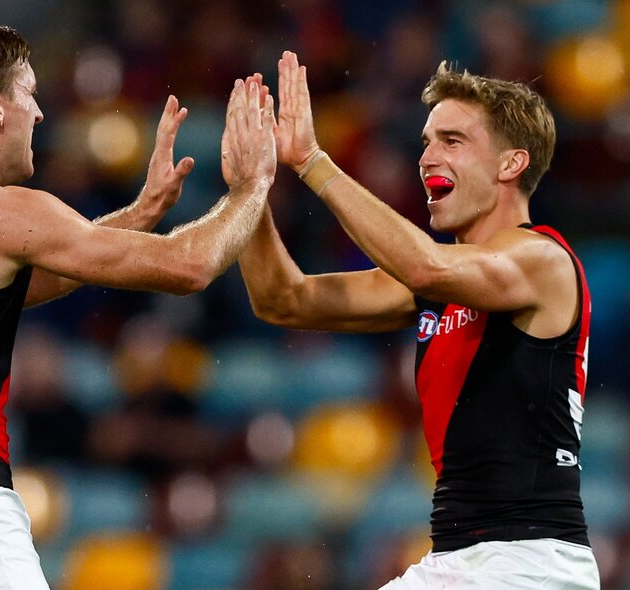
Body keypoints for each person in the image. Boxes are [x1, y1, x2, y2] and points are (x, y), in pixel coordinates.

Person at [0, 18, 276, 590]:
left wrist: (137, 216)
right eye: (30, 94)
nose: (39, 114)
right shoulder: (0, 210)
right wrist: (253, 185)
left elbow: (7, 286)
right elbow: (189, 266)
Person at [238, 52, 599, 589]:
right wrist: (250, 190)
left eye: (452, 141)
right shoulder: (442, 283)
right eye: (427, 142)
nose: (428, 157)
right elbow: (283, 300)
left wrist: (313, 160)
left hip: (529, 563)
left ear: (511, 164)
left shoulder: (542, 260)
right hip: (460, 561)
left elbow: (423, 264)